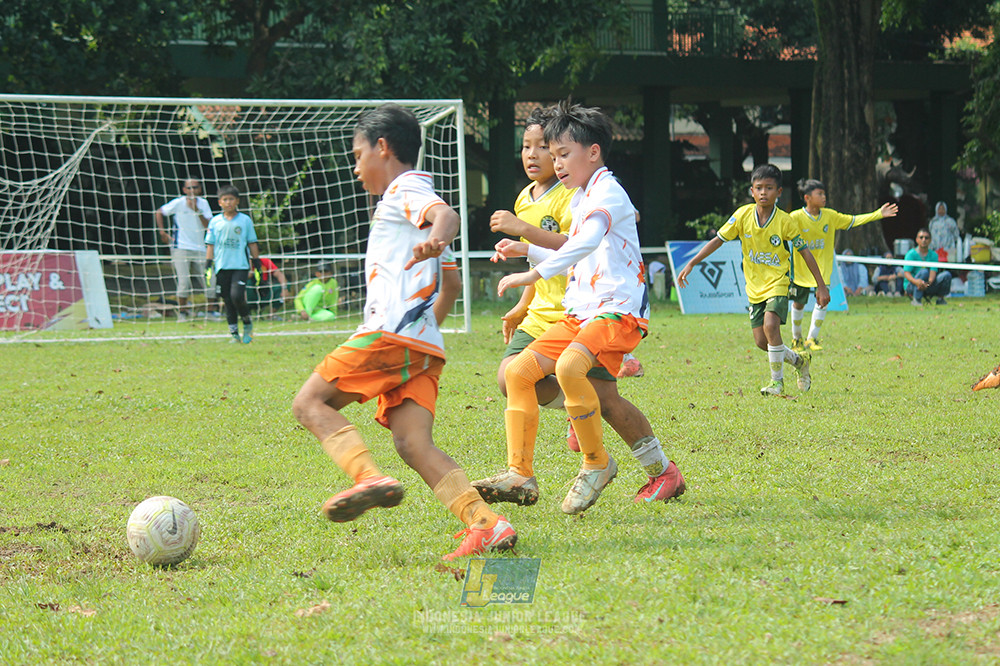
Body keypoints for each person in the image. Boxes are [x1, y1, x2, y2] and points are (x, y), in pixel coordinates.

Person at [290, 103, 516, 561]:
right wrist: (424, 325)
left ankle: (368, 477)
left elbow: (446, 216)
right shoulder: (402, 215)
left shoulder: (405, 189)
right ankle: (486, 523)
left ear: (383, 147)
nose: (356, 169)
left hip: (392, 334)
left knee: (309, 403)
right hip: (422, 343)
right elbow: (451, 283)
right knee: (413, 443)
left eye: (357, 156)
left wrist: (438, 235)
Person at [473, 101, 684, 515]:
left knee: (573, 372)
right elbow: (573, 245)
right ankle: (520, 473)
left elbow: (586, 242)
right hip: (581, 311)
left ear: (593, 152)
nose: (556, 163)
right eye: (553, 156)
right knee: (517, 372)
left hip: (617, 311)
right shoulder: (580, 194)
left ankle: (597, 463)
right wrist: (527, 249)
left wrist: (530, 275)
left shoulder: (607, 191)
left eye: (562, 154)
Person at [677, 164, 829, 396]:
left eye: (769, 188)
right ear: (751, 191)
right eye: (758, 188)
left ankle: (776, 383)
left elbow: (805, 251)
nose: (763, 193)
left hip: (778, 282)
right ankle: (799, 362)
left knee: (771, 326)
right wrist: (692, 262)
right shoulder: (742, 215)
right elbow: (718, 239)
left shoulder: (786, 221)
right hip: (754, 287)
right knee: (762, 342)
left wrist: (820, 285)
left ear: (779, 192)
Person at [787, 179, 897, 350]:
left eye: (824, 193)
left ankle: (811, 339)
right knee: (798, 304)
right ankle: (796, 339)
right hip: (801, 270)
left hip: (822, 269)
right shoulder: (795, 217)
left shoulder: (830, 216)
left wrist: (878, 214)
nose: (824, 197)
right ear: (807, 198)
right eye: (820, 194)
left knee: (822, 301)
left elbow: (853, 220)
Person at [205, 185, 262, 343]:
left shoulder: (245, 220)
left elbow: (252, 242)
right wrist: (208, 264)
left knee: (237, 296)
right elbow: (210, 245)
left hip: (240, 266)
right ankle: (234, 334)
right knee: (227, 300)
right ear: (219, 202)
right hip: (222, 266)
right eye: (225, 199)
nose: (228, 202)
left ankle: (247, 323)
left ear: (237, 201)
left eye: (231, 199)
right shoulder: (215, 222)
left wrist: (256, 263)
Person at [155, 178, 214, 321]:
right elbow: (159, 212)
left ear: (200, 189)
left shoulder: (204, 204)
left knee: (210, 280)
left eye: (195, 187)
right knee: (184, 282)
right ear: (184, 190)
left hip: (200, 248)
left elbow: (208, 225)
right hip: (180, 247)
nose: (192, 191)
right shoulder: (178, 203)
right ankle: (182, 312)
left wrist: (197, 210)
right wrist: (162, 232)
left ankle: (211, 312)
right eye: (189, 188)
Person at [903, 227, 952, 306]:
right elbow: (906, 273)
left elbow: (933, 272)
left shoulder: (934, 255)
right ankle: (916, 300)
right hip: (912, 284)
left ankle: (940, 299)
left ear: (930, 240)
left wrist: (927, 284)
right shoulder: (910, 254)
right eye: (921, 237)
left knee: (946, 275)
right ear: (917, 240)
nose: (924, 240)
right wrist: (917, 282)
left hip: (927, 284)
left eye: (926, 238)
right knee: (924, 272)